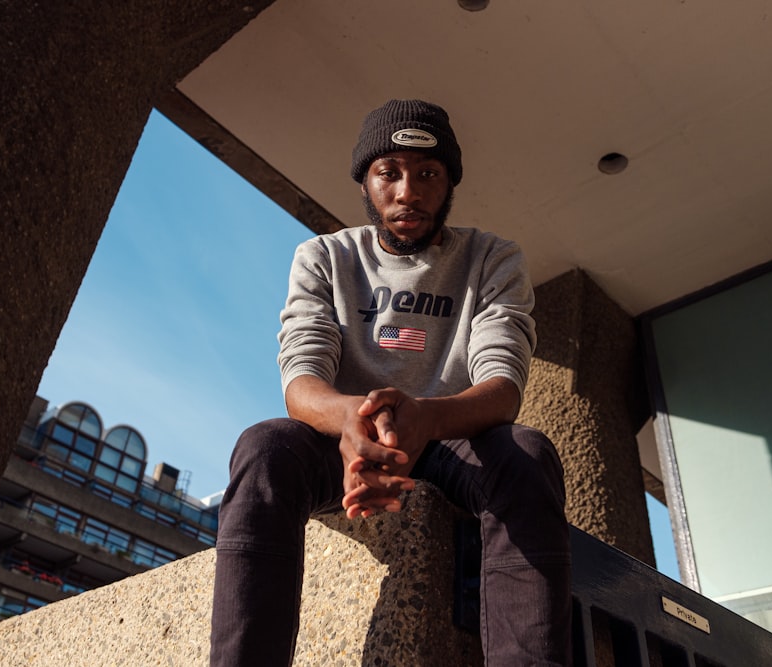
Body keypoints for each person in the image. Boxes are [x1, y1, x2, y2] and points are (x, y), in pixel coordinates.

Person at [210, 99, 572, 665]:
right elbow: (302, 382)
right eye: (390, 173)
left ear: (449, 180)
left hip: (448, 433)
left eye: (427, 173)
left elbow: (502, 388)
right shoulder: (324, 256)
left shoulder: (492, 258)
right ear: (365, 182)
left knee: (526, 456)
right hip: (343, 435)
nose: (408, 192)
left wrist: (424, 417)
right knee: (263, 449)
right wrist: (356, 424)